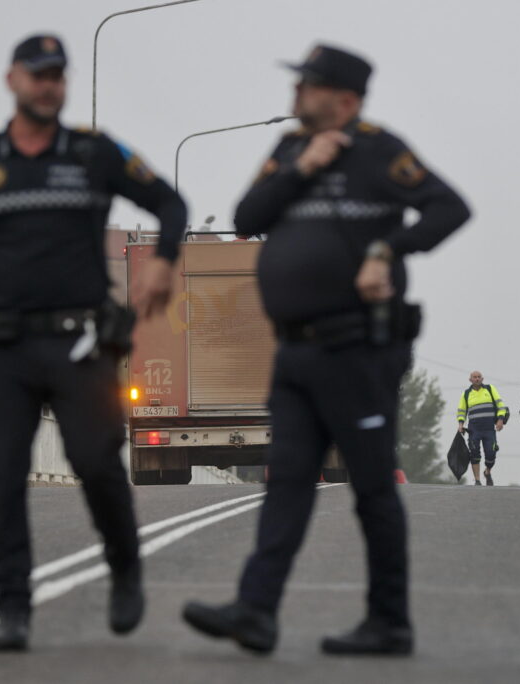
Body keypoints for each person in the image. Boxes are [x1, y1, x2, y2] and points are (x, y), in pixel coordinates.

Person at [181, 44, 470, 656]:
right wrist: (303, 167)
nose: (296, 93)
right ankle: (255, 611)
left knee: (370, 486)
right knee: (286, 479)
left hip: (359, 349)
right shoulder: (290, 149)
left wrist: (388, 251)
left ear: (344, 99)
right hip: (294, 352)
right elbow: (247, 214)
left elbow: (450, 208)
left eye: (309, 85)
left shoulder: (381, 150)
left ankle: (389, 620)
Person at [0, 35, 186, 651]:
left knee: (95, 462)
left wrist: (165, 261)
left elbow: (170, 203)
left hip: (81, 343)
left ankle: (125, 565)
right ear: (13, 79)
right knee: (4, 473)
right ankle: (11, 606)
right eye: (38, 75)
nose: (49, 85)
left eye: (57, 76)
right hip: (3, 348)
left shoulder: (94, 153)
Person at [457, 371, 509, 486]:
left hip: (489, 428)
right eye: (474, 377)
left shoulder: (490, 389)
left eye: (479, 377)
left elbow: (501, 405)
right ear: (470, 379)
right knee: (474, 454)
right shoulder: (466, 394)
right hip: (473, 429)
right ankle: (477, 480)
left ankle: (487, 471)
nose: (477, 379)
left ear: (482, 379)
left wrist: (500, 420)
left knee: (491, 454)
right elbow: (461, 411)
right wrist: (460, 424)